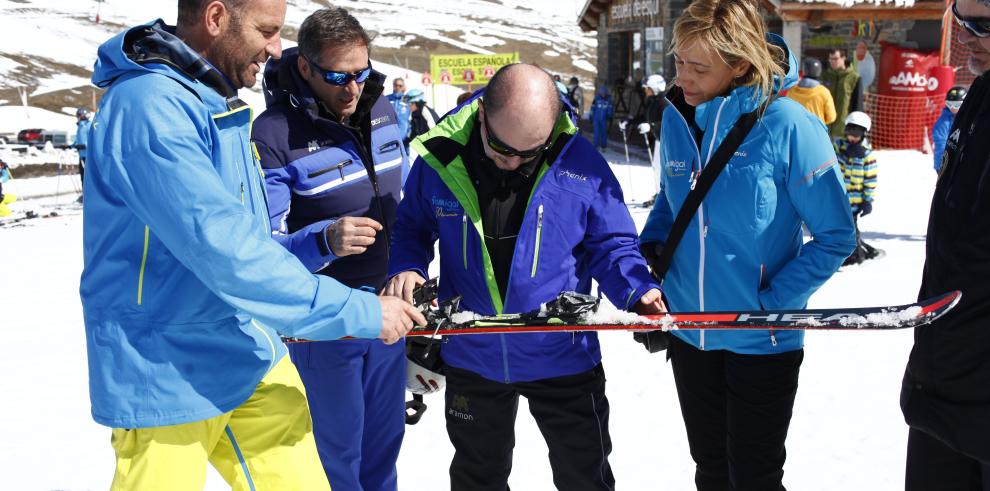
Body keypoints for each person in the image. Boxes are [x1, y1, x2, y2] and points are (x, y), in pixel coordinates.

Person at [80, 1, 424, 489]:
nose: (275, 47)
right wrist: (360, 310)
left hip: (246, 347)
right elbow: (226, 250)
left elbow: (259, 241)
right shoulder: (150, 108)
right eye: (266, 30)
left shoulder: (214, 100)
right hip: (165, 366)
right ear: (216, 18)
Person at [384, 63, 665, 491]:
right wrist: (407, 266)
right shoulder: (440, 159)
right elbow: (412, 227)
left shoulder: (580, 162)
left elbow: (612, 244)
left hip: (562, 354)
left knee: (584, 477)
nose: (512, 161)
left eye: (528, 153)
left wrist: (638, 291)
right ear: (481, 116)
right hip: (472, 354)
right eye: (501, 147)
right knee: (477, 479)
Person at [639, 0, 856, 489]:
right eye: (678, 62)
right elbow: (675, 201)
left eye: (699, 67)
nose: (682, 78)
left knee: (754, 476)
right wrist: (651, 252)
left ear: (740, 65)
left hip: (761, 336)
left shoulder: (788, 125)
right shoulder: (677, 115)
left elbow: (836, 236)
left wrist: (774, 303)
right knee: (710, 469)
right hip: (690, 331)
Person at [250, 7, 411, 491]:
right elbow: (264, 248)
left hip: (388, 308)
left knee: (384, 446)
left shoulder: (383, 108)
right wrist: (325, 239)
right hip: (327, 318)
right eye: (337, 76)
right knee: (336, 452)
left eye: (361, 74)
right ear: (305, 67)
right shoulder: (274, 133)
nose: (352, 88)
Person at [901, 0, 990, 487]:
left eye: (984, 24)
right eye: (962, 18)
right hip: (943, 380)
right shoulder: (980, 93)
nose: (966, 35)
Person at [834, 111, 879, 266]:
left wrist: (867, 201)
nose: (852, 137)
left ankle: (855, 255)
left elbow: (870, 181)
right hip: (837, 200)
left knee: (851, 230)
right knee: (837, 228)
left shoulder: (867, 156)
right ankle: (840, 253)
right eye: (850, 132)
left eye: (856, 134)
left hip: (854, 203)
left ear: (864, 134)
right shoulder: (838, 149)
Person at [822, 47, 863, 137]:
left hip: (843, 129)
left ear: (843, 58)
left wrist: (855, 130)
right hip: (824, 127)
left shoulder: (854, 78)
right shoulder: (824, 75)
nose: (832, 61)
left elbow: (857, 105)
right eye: (830, 59)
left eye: (835, 59)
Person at [619, 74, 666, 150]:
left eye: (647, 88)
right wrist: (629, 121)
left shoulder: (665, 103)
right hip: (658, 142)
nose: (645, 90)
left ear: (655, 88)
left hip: (669, 143)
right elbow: (646, 118)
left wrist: (651, 126)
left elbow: (669, 124)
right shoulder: (652, 101)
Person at [788, 57, 836, 125]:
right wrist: (820, 121)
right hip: (817, 131)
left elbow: (787, 112)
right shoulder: (824, 92)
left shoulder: (792, 90)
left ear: (804, 70)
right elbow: (831, 117)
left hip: (796, 130)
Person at [932, 85, 966, 173]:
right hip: (945, 164)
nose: (953, 108)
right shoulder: (944, 121)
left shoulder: (968, 118)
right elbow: (941, 142)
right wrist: (945, 162)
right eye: (949, 104)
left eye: (957, 105)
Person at [74, 107, 92, 196]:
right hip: (81, 155)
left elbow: (93, 140)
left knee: (89, 177)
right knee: (82, 176)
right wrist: (71, 145)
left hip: (89, 156)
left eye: (79, 115)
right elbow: (78, 140)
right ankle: (85, 195)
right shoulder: (79, 127)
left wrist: (85, 146)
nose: (78, 117)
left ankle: (91, 195)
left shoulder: (89, 125)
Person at [590, 85, 614, 151]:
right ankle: (596, 146)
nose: (603, 94)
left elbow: (610, 109)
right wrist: (591, 116)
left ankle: (604, 146)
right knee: (596, 133)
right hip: (596, 119)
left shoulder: (608, 100)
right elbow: (592, 108)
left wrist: (610, 116)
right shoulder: (596, 99)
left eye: (604, 93)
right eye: (601, 93)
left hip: (604, 119)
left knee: (604, 133)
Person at [387, 77, 411, 143]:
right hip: (389, 137)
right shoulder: (387, 98)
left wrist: (409, 135)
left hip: (404, 137)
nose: (398, 87)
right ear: (393, 85)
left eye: (400, 86)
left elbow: (411, 118)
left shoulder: (407, 99)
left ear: (403, 87)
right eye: (396, 85)